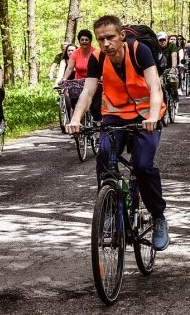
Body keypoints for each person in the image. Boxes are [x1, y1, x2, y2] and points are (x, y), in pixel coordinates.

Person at [66, 15, 169, 251]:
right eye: (101, 39)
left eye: (110, 37)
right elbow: (88, 92)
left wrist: (153, 117)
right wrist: (75, 119)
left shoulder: (139, 50)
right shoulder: (97, 57)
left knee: (142, 166)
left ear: (121, 35)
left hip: (146, 114)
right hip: (114, 112)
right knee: (104, 156)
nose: (106, 44)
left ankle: (158, 217)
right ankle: (110, 207)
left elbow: (155, 86)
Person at [57, 29, 101, 122]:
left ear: (90, 41)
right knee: (75, 101)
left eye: (86, 39)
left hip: (93, 81)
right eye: (82, 40)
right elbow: (69, 68)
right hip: (79, 82)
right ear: (79, 41)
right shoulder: (75, 53)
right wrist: (64, 78)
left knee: (95, 105)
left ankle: (96, 123)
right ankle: (78, 122)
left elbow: (101, 68)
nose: (84, 41)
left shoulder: (96, 52)